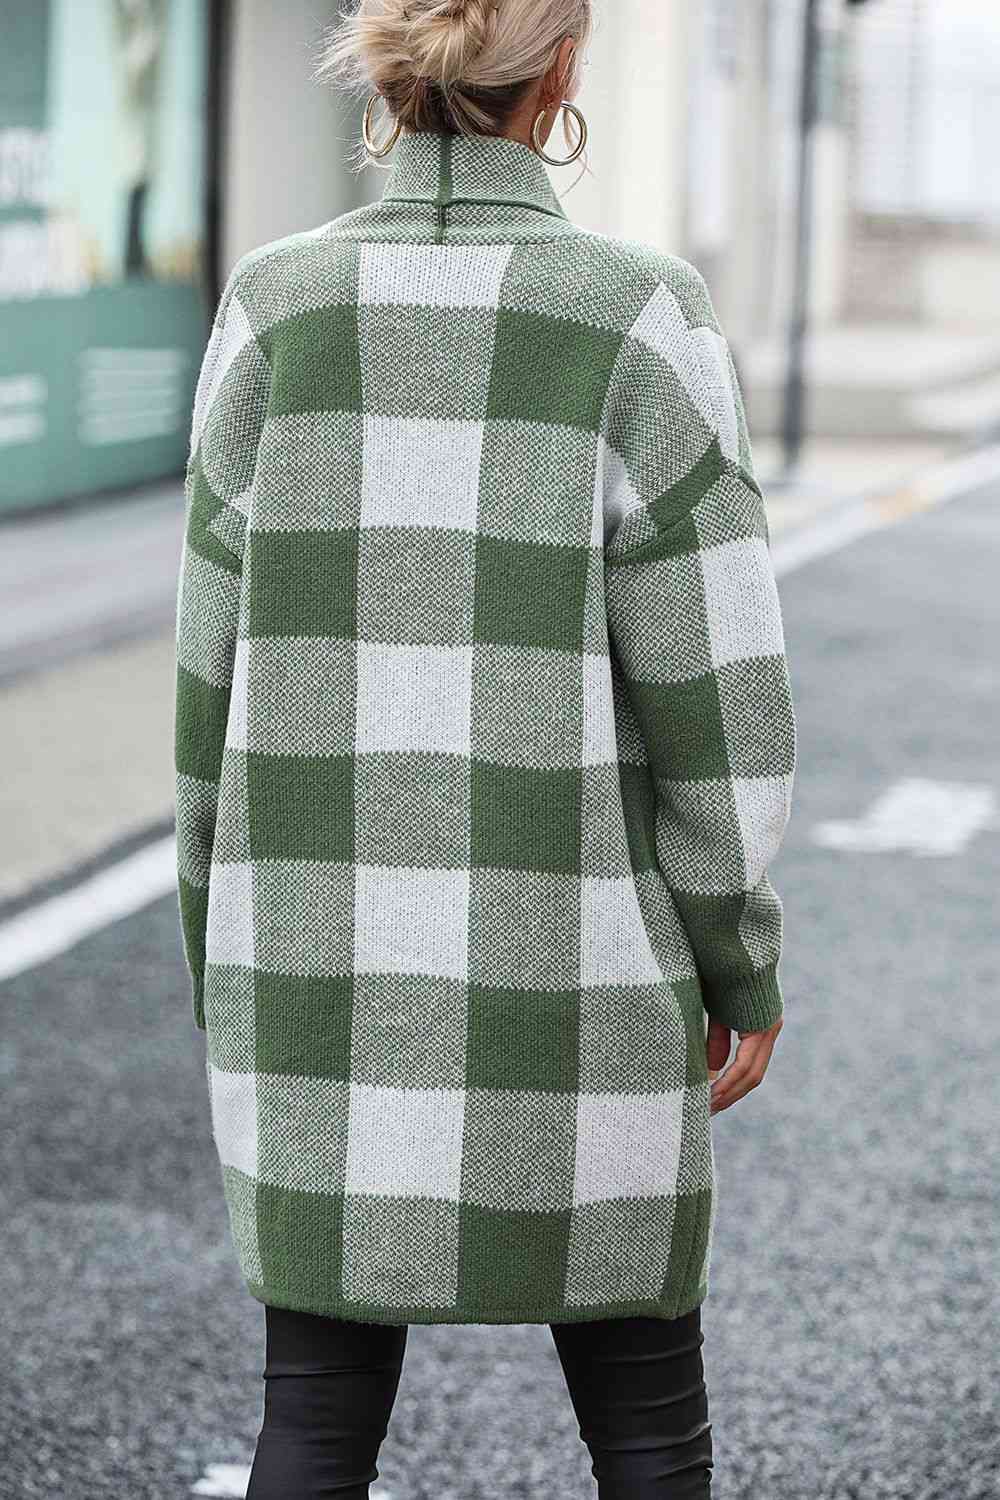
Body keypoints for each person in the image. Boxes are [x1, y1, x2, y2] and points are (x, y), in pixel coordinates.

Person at [172, 1, 797, 1494]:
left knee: (312, 1420)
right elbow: (720, 695)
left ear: (389, 73)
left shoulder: (275, 309)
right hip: (581, 971)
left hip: (317, 963)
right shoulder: (638, 316)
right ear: (560, 68)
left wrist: (223, 944)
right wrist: (738, 956)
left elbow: (207, 682)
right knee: (648, 1424)